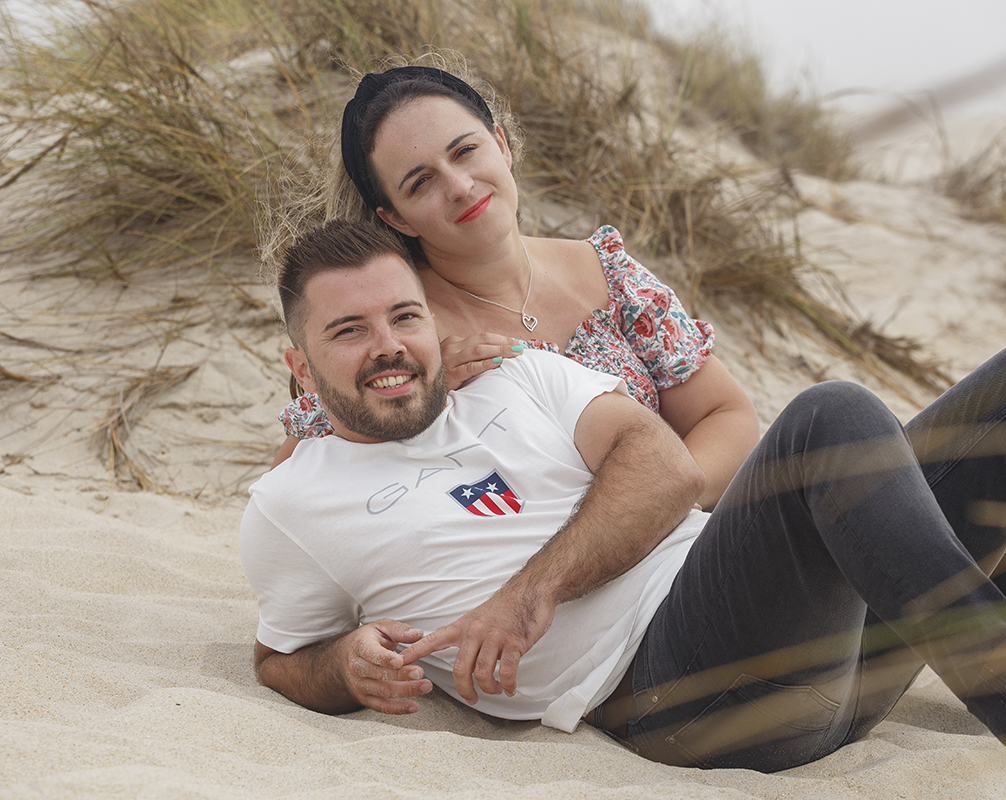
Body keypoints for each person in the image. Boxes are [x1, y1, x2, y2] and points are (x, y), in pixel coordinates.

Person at [242, 218, 1006, 798]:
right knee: (832, 419)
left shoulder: (523, 374)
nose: (388, 348)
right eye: (348, 331)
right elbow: (280, 655)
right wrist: (340, 664)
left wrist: (526, 593)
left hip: (803, 630)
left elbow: (663, 468)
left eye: (403, 317)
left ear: (432, 321)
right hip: (679, 696)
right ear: (299, 363)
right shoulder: (294, 501)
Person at [270, 62, 761, 513]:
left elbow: (725, 413)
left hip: (678, 542)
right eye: (421, 182)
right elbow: (290, 485)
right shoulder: (396, 328)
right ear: (396, 216)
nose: (460, 186)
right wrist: (421, 401)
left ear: (501, 145)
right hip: (533, 583)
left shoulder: (606, 271)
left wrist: (657, 504)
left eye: (465, 151)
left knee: (828, 422)